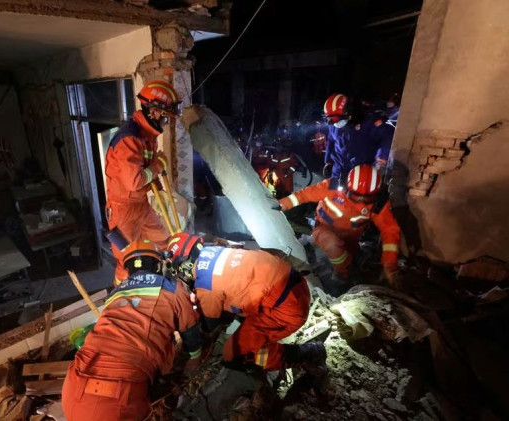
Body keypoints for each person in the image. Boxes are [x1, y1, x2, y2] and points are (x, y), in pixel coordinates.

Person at [62, 240, 203, 421]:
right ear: (158, 265)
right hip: (119, 394)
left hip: (73, 388)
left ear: (127, 268)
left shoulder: (114, 294)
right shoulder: (171, 288)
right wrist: (195, 358)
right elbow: (190, 327)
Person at [166, 233, 327, 372]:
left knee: (234, 353)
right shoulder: (217, 250)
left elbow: (210, 324)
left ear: (185, 263)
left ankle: (308, 354)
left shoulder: (205, 285)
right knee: (237, 309)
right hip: (295, 285)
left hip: (287, 309)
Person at [105, 79, 181, 285]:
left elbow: (146, 172)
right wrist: (159, 165)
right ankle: (121, 294)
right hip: (122, 210)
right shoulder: (129, 139)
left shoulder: (148, 135)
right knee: (126, 259)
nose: (166, 122)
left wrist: (158, 184)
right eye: (165, 116)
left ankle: (168, 287)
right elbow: (135, 181)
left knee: (164, 242)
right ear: (154, 111)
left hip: (141, 205)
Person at [279, 164, 400, 283]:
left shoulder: (379, 205)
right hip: (323, 230)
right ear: (347, 187)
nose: (361, 200)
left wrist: (389, 265)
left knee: (349, 258)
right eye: (356, 196)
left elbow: (390, 231)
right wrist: (281, 204)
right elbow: (303, 195)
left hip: (350, 241)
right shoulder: (332, 187)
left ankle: (345, 270)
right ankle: (343, 274)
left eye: (366, 198)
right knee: (333, 246)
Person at [322, 93, 394, 181]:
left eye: (335, 118)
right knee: (333, 189)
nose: (333, 122)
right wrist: (328, 161)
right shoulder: (333, 125)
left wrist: (382, 156)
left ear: (347, 113)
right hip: (338, 170)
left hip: (361, 172)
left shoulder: (367, 122)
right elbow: (330, 140)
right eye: (329, 119)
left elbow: (386, 135)